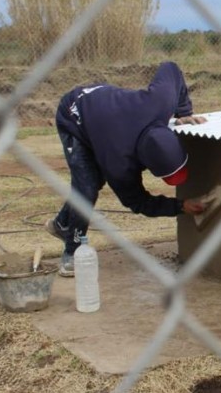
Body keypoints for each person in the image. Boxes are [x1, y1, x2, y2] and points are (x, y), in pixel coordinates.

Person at [45, 61, 209, 277]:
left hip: (106, 112)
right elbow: (137, 201)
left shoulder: (160, 101)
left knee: (91, 179)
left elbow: (171, 67)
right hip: (75, 114)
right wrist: (179, 206)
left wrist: (183, 111)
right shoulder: (119, 164)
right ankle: (72, 250)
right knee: (87, 188)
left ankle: (62, 224)